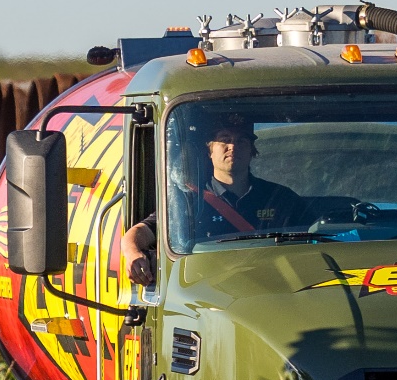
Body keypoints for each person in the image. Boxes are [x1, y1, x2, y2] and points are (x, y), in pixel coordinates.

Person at [118, 112, 309, 283]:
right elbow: (141, 231)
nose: (232, 146)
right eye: (224, 139)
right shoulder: (190, 201)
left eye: (242, 141)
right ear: (209, 150)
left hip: (273, 284)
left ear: (252, 151)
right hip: (205, 285)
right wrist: (133, 254)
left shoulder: (280, 198)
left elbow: (315, 236)